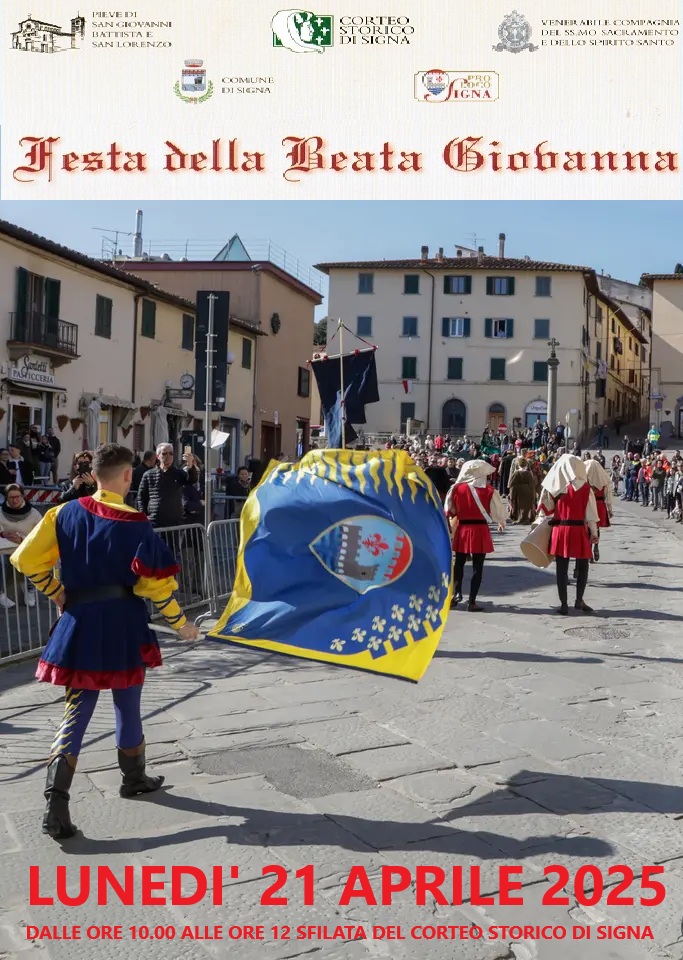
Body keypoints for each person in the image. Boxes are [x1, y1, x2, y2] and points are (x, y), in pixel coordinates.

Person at [9, 443, 200, 841]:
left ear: (94, 474)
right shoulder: (136, 523)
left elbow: (25, 559)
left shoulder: (63, 513)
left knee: (77, 710)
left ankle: (56, 803)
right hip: (124, 625)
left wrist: (57, 591)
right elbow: (156, 586)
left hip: (79, 621)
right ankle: (133, 778)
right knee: (127, 702)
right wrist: (182, 625)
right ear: (128, 476)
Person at [537, 455, 599, 615]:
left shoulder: (553, 487)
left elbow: (544, 511)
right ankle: (579, 600)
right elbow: (591, 515)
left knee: (561, 569)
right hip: (579, 530)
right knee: (583, 566)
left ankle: (564, 604)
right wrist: (594, 533)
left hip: (560, 530)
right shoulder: (586, 489)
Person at [445, 459, 506, 612]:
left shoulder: (456, 489)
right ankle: (472, 601)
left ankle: (456, 594)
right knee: (477, 567)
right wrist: (501, 522)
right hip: (480, 530)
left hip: (463, 528)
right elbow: (497, 513)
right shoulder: (490, 490)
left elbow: (450, 511)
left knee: (458, 563)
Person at [0, 484, 42, 608]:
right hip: (4, 548)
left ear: (22, 496)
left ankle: (30, 589)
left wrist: (21, 539)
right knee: (2, 562)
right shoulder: (0, 512)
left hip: (26, 547)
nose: (15, 500)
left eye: (17, 496)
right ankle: (1, 594)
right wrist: (2, 533)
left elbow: (40, 534)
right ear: (6, 498)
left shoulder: (34, 513)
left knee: (29, 559)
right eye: (11, 497)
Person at [137, 444, 198, 528]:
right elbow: (141, 498)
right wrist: (143, 517)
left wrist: (190, 466)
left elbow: (192, 480)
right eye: (164, 454)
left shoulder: (178, 473)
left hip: (174, 522)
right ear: (158, 456)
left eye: (171, 453)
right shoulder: (148, 474)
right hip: (154, 521)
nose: (168, 456)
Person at [585, 459, 612, 563]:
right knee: (596, 527)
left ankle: (590, 550)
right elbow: (608, 496)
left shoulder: (585, 480)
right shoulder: (603, 480)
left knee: (588, 527)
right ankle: (596, 545)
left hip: (589, 505)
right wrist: (610, 509)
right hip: (600, 505)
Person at [508, 460, 536, 524]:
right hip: (528, 490)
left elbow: (512, 484)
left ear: (518, 465)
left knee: (519, 505)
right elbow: (532, 484)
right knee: (527, 505)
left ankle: (519, 518)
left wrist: (512, 493)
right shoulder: (528, 473)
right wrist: (533, 493)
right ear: (526, 465)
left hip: (518, 490)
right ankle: (526, 518)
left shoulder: (516, 473)